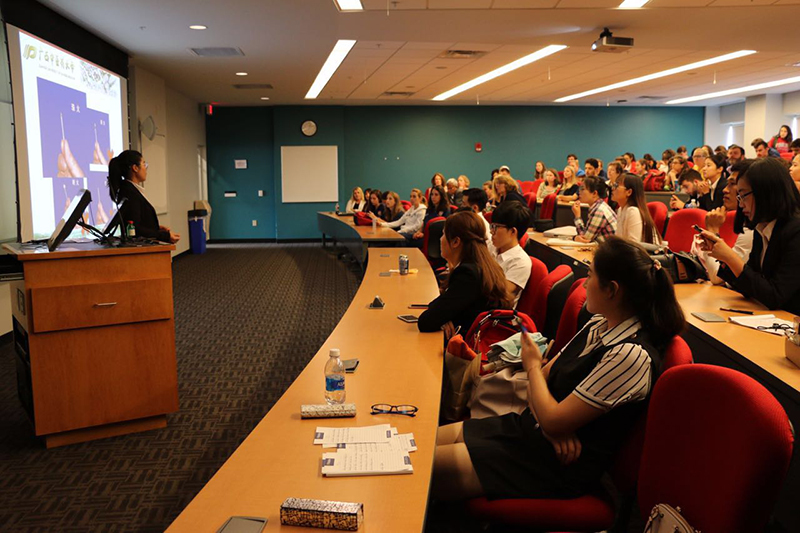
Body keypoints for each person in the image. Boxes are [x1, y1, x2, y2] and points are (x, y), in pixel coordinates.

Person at [432, 236, 685, 502]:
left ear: (612, 290)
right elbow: (544, 383)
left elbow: (543, 390)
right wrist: (550, 424)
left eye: (590, 275)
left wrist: (533, 370)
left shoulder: (630, 356)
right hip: (529, 432)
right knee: (422, 442)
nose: (584, 283)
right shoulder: (598, 323)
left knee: (420, 466)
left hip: (551, 466)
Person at [699, 158, 800, 314]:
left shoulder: (796, 231)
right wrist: (725, 259)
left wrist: (730, 257)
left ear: (765, 193)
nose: (741, 204)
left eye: (743, 196)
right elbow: (751, 287)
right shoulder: (762, 229)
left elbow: (775, 296)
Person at [418, 211, 512, 338]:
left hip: (472, 344)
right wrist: (444, 318)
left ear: (456, 242)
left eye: (443, 234)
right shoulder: (484, 265)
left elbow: (426, 321)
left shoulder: (467, 274)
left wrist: (441, 317)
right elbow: (438, 306)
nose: (440, 239)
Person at [691, 160, 753, 285]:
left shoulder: (754, 230)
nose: (725, 190)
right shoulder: (749, 225)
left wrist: (712, 232)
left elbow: (718, 277)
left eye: (732, 184)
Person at [107, 150, 180, 243]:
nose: (146, 168)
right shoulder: (130, 193)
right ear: (135, 168)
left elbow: (137, 223)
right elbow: (135, 229)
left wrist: (156, 228)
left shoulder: (130, 190)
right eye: (144, 164)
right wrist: (165, 236)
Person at [490, 201, 532, 307]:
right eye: (491, 226)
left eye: (495, 227)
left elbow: (497, 295)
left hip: (494, 312)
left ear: (513, 231)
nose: (491, 231)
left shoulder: (520, 262)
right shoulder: (492, 247)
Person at [611, 173, 660, 244]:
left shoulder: (633, 211)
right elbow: (619, 241)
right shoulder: (620, 210)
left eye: (616, 185)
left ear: (629, 192)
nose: (612, 188)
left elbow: (633, 245)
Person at [572, 177, 617, 243]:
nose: (579, 192)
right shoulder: (598, 206)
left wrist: (577, 216)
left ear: (594, 193)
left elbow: (585, 239)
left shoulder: (599, 210)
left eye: (582, 189)